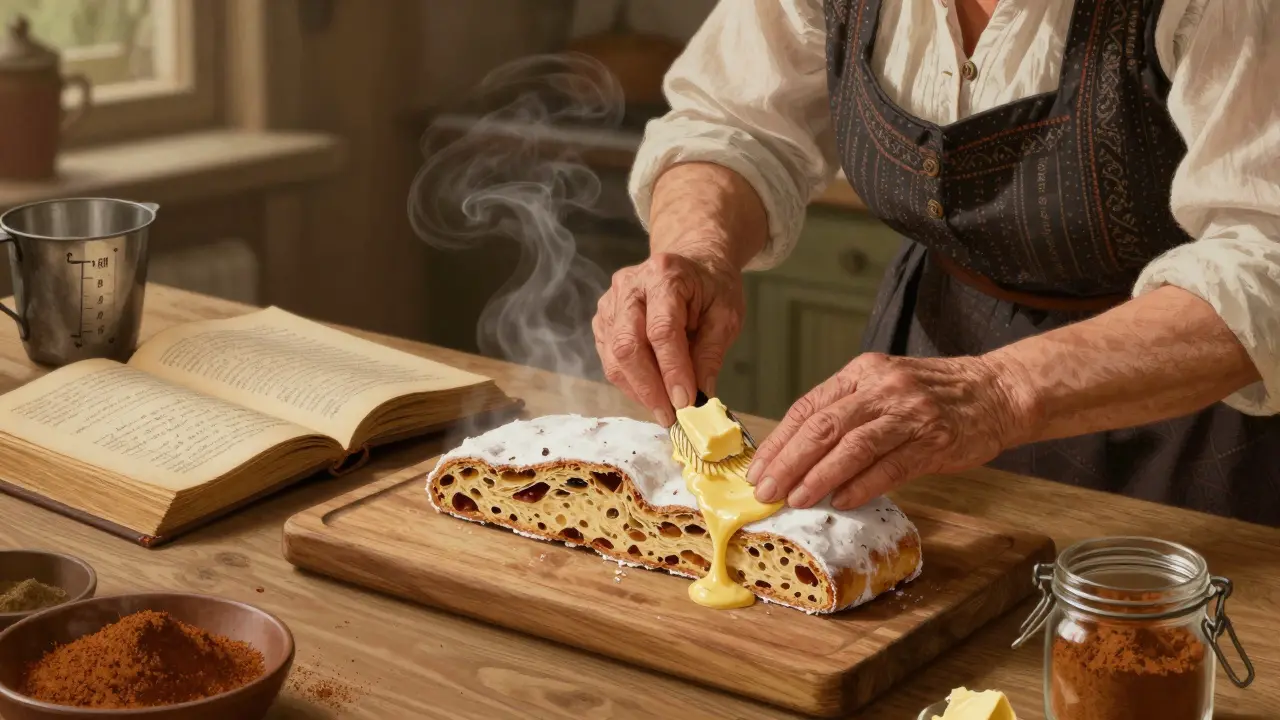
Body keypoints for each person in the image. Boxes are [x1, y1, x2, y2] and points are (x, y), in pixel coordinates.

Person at [591, 0, 1280, 526]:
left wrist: (998, 392)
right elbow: (733, 122)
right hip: (927, 369)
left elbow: (1265, 258)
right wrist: (699, 250)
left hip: (1193, 420)